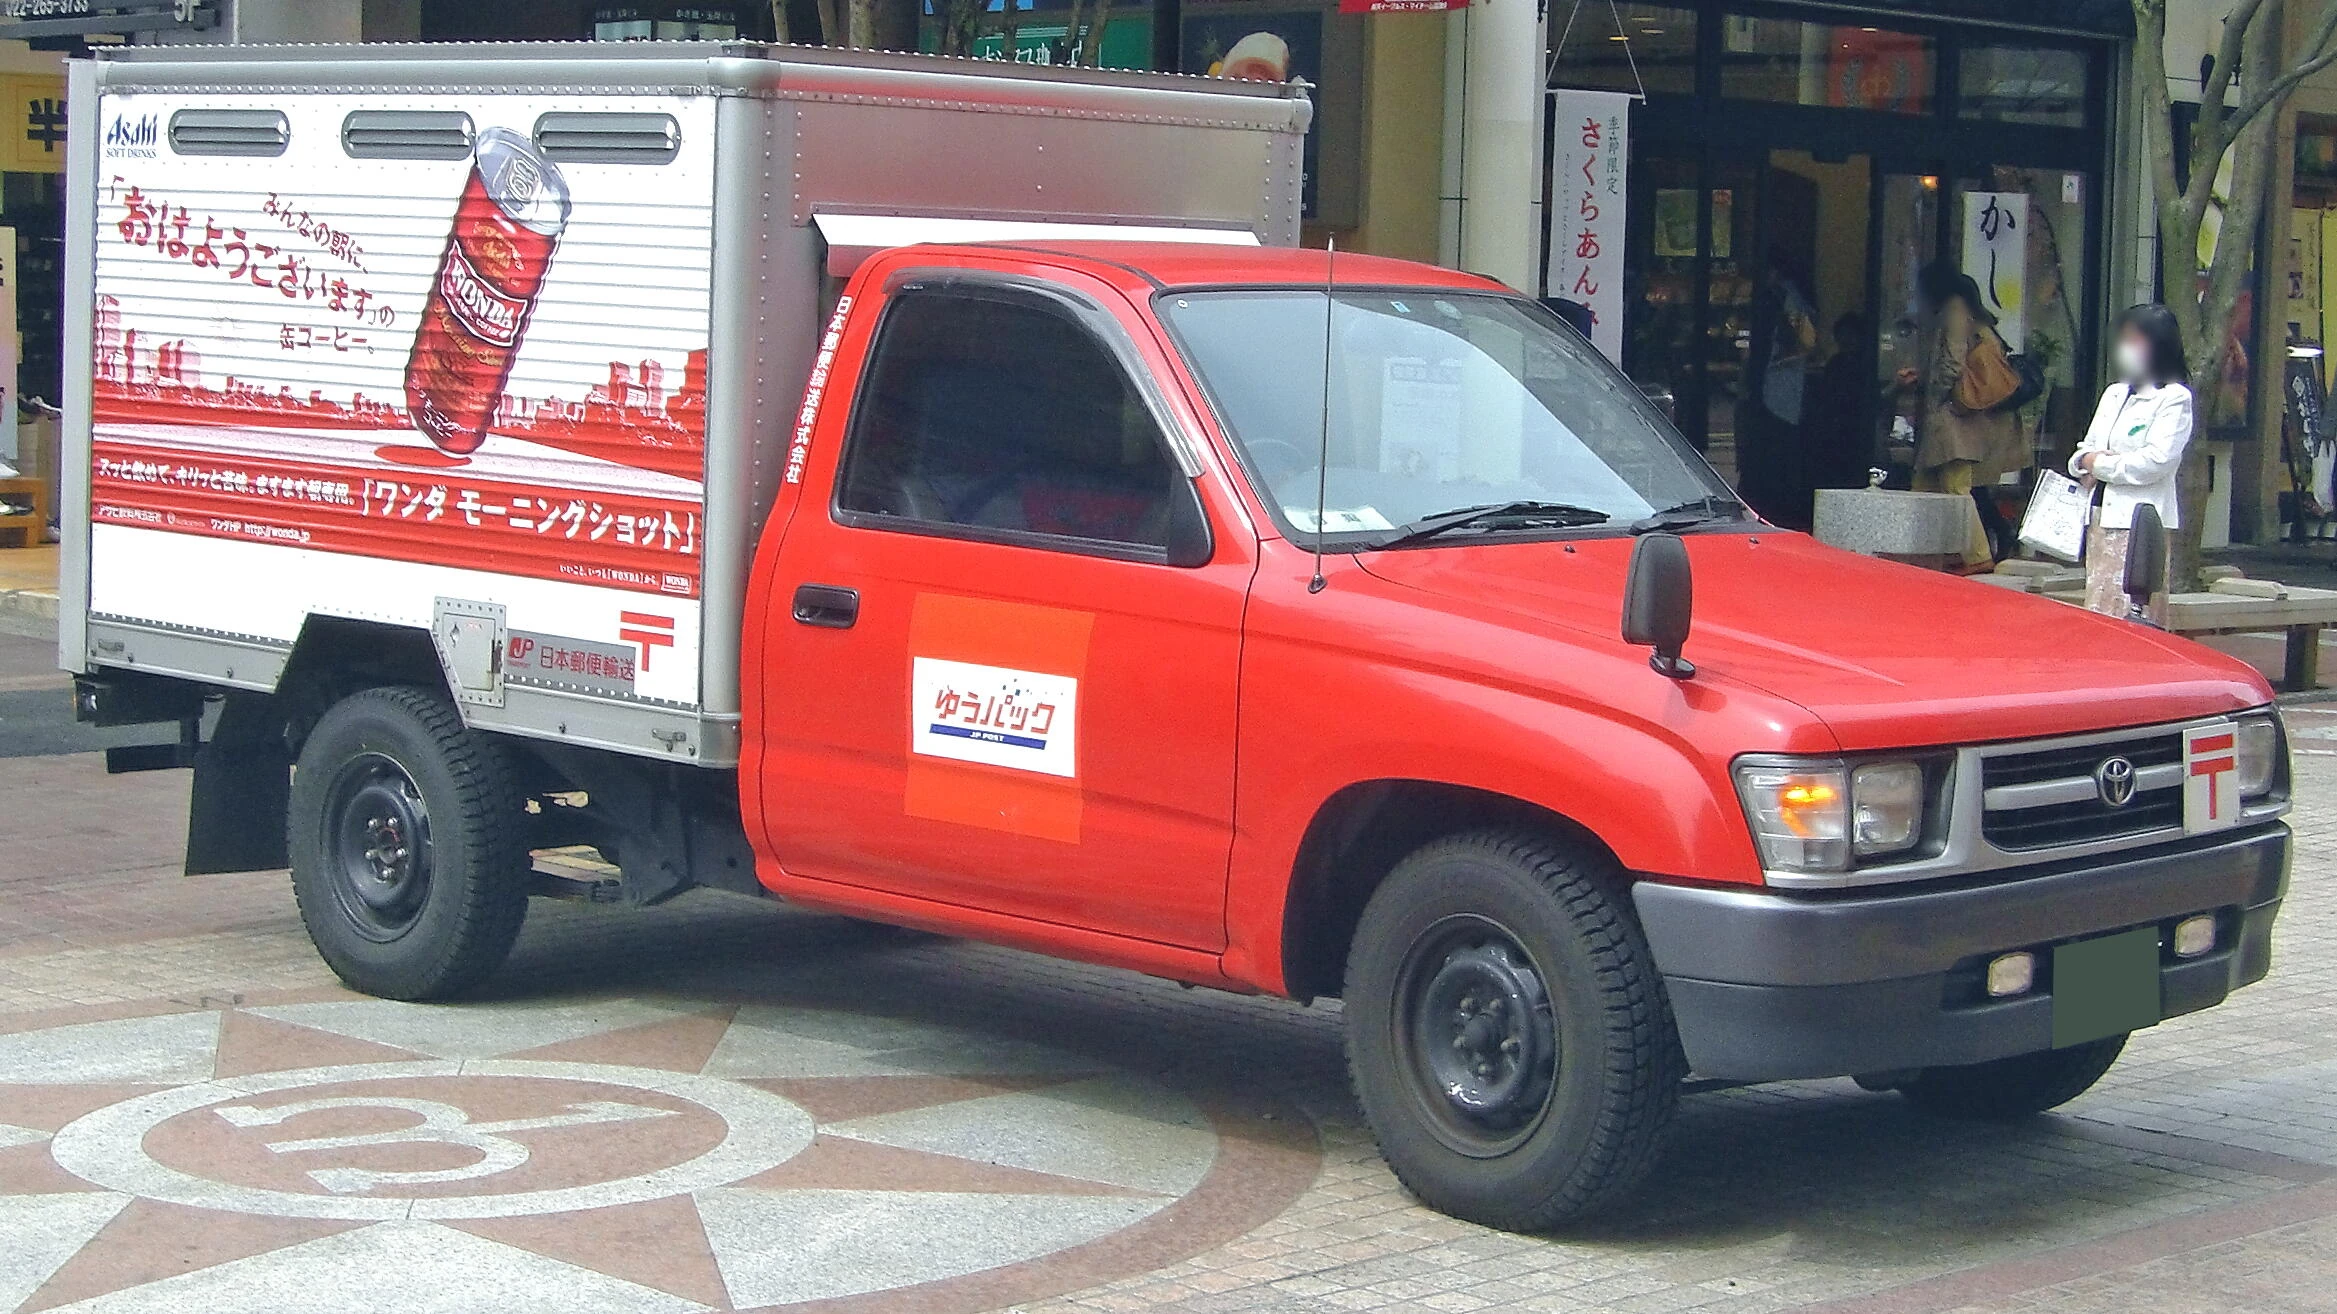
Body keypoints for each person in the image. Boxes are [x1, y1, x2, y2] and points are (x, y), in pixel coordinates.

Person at [2072, 303, 2193, 622]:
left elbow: (2156, 460)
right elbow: (2085, 450)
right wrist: (2087, 460)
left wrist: (2099, 466)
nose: (2126, 348)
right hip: (2100, 517)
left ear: (2158, 344)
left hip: (2141, 524)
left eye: (2134, 340)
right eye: (2124, 340)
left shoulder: (2174, 398)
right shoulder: (2114, 393)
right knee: (2099, 605)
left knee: (2134, 611)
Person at [1904, 262, 2025, 567]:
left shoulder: (1954, 310)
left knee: (1955, 489)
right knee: (1926, 487)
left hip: (1952, 420)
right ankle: (1924, 555)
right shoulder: (1970, 314)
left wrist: (1937, 392)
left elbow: (1952, 361)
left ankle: (1977, 555)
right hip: (1954, 421)